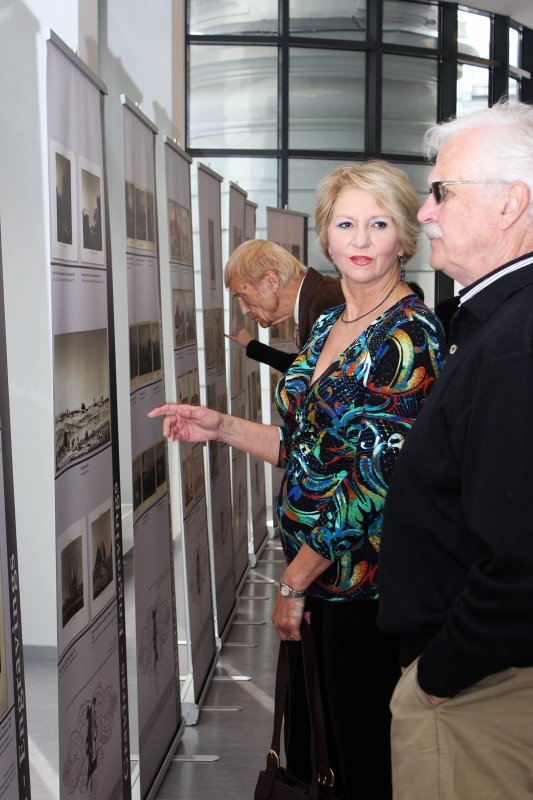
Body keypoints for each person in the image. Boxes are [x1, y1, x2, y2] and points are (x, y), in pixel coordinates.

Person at [148, 160, 445, 799]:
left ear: (404, 238)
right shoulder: (326, 326)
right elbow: (305, 449)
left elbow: (373, 483)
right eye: (346, 224)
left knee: (360, 759)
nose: (361, 240)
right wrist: (220, 426)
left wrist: (294, 581)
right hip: (317, 577)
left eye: (378, 223)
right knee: (319, 756)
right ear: (326, 238)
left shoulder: (408, 338)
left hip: (362, 586)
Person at [377, 100, 533, 800]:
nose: (426, 213)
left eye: (440, 191)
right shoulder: (497, 326)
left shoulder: (513, 345)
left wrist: (442, 672)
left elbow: (522, 557)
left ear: (511, 205)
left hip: (482, 694)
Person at [224, 239, 344, 372]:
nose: (244, 310)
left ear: (271, 282)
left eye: (243, 296)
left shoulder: (333, 308)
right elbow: (307, 370)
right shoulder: (321, 302)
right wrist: (253, 346)